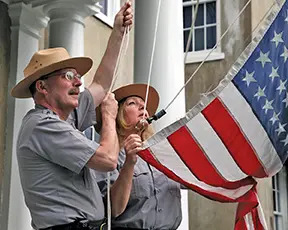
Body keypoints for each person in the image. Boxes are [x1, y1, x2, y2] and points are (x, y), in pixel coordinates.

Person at [11, 2, 133, 230]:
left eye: (77, 76)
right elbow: (108, 160)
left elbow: (101, 84)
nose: (78, 81)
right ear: (42, 87)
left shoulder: (65, 117)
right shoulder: (42, 125)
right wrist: (108, 117)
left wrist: (117, 32)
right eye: (68, 75)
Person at [97, 84, 182, 230]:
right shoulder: (106, 156)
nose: (142, 106)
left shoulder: (162, 155)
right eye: (132, 103)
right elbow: (114, 209)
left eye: (144, 105)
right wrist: (129, 163)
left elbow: (201, 180)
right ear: (117, 115)